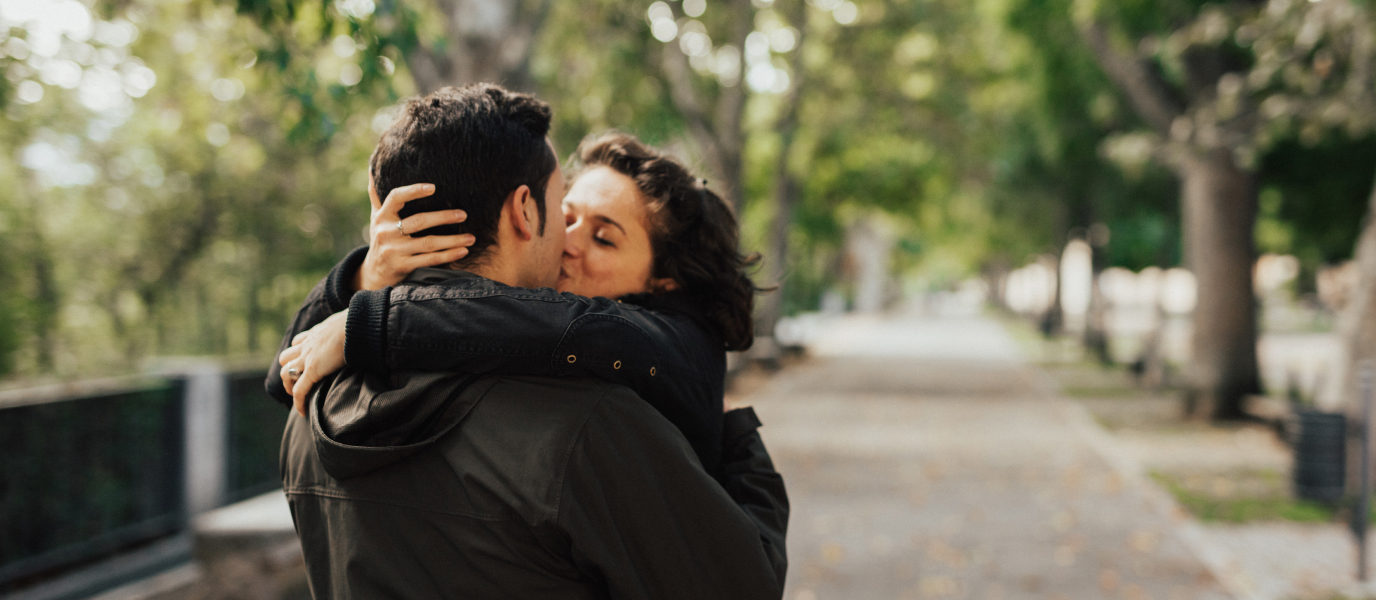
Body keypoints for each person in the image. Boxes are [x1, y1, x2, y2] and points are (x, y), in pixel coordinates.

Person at [271, 83, 787, 599]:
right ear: (526, 212)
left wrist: (365, 318)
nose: (568, 245)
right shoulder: (584, 425)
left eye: (604, 237)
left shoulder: (311, 417)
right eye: (565, 216)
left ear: (664, 282)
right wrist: (365, 279)